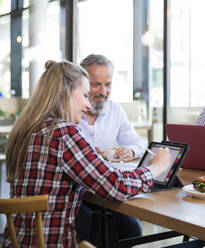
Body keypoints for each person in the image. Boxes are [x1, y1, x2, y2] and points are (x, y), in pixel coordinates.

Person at [3, 60, 172, 247]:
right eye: (84, 95)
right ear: (63, 90)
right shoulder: (63, 133)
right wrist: (157, 167)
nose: (88, 105)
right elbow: (117, 186)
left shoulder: (27, 128)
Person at [76, 54, 145, 242]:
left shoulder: (115, 109)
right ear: (81, 83)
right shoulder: (71, 112)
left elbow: (139, 144)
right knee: (89, 233)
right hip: (79, 194)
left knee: (132, 233)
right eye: (95, 84)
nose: (103, 91)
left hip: (107, 190)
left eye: (108, 84)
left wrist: (130, 151)